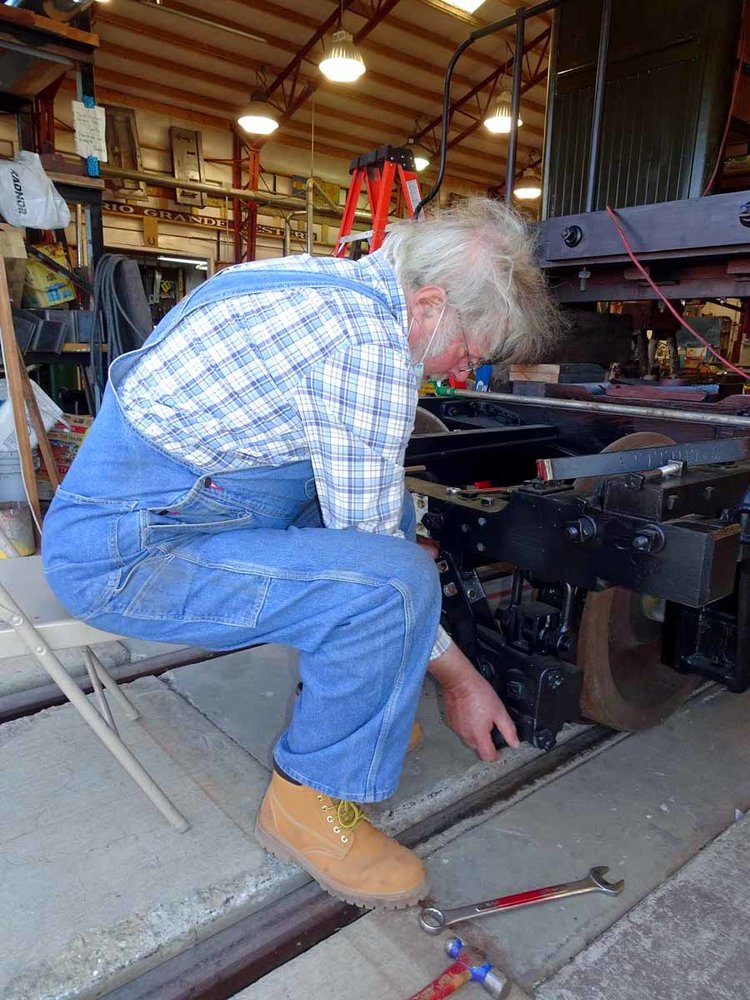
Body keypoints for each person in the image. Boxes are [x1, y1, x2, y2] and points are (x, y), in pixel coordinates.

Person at [42, 197, 559, 909]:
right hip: (126, 559)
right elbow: (378, 553)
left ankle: (361, 699)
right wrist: (460, 679)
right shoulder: (366, 347)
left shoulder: (321, 280)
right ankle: (310, 806)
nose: (463, 373)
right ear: (430, 302)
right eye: (468, 351)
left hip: (143, 509)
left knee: (377, 531)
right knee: (392, 586)